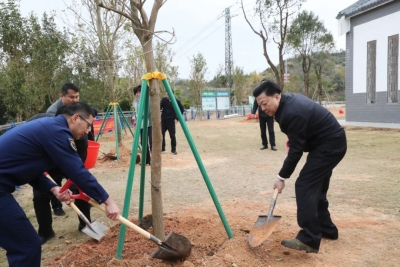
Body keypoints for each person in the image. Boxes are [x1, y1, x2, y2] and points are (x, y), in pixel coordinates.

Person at [0, 102, 120, 267]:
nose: (89, 131)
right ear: (75, 118)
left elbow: (30, 170)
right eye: (88, 125)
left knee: (23, 244)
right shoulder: (57, 132)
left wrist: (54, 188)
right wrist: (108, 201)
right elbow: (78, 172)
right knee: (26, 246)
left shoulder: (50, 128)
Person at [253, 80, 347, 254]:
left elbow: (296, 152)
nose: (263, 109)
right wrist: (295, 140)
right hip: (328, 143)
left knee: (305, 185)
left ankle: (309, 239)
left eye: (265, 103)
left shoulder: (291, 112)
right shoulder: (287, 105)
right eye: (260, 106)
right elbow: (301, 135)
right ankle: (328, 230)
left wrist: (281, 177)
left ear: (277, 96)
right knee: (316, 189)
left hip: (329, 145)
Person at [43, 82, 80, 216]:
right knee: (54, 181)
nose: (75, 100)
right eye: (71, 97)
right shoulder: (52, 113)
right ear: (62, 96)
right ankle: (57, 206)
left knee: (77, 180)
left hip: (70, 149)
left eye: (77, 97)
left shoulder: (78, 108)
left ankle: (82, 207)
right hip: (54, 152)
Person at [160, 90, 184, 155]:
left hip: (171, 120)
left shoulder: (177, 101)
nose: (166, 96)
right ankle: (162, 149)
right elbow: (159, 107)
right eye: (166, 94)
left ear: (171, 94)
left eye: (167, 94)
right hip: (164, 120)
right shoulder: (164, 100)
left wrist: (177, 118)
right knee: (161, 134)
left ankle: (173, 149)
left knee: (172, 135)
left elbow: (181, 110)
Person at [132, 85, 152, 165]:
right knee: (143, 143)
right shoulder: (135, 102)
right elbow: (137, 112)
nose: (137, 94)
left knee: (150, 142)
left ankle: (150, 160)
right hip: (140, 125)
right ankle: (147, 160)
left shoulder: (147, 100)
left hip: (147, 124)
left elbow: (147, 112)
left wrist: (136, 116)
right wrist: (136, 118)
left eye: (139, 92)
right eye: (136, 93)